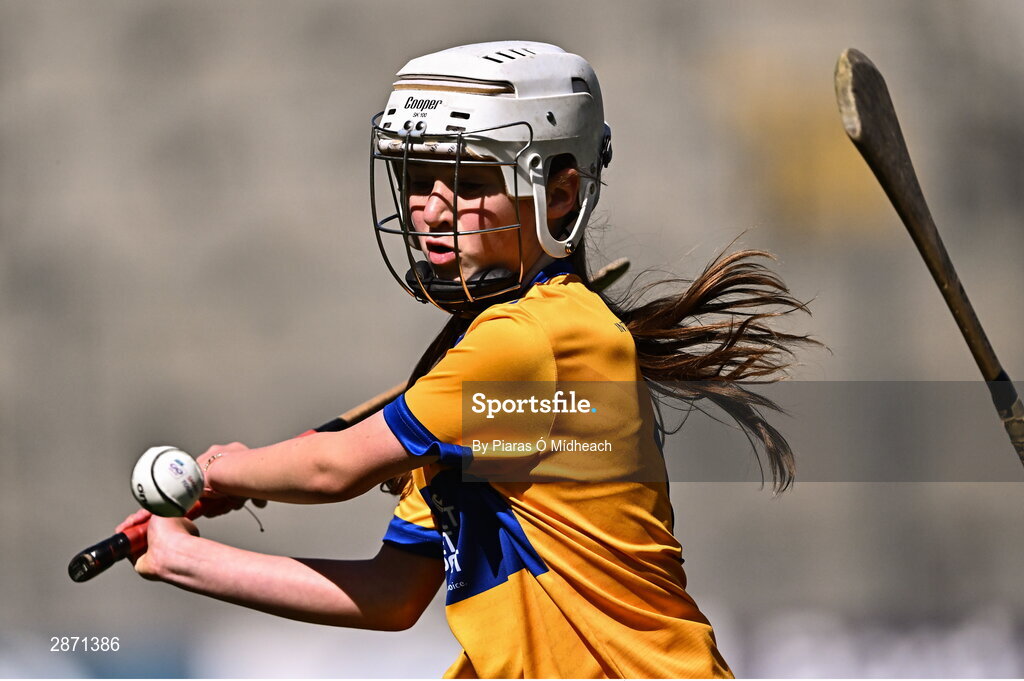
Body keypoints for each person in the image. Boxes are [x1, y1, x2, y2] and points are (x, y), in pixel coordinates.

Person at [117, 41, 814, 678]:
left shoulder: (529, 338)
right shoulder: (466, 383)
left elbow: (332, 468)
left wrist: (216, 468)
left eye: (471, 180)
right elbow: (391, 594)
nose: (430, 208)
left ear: (560, 192)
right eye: (418, 177)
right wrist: (187, 557)